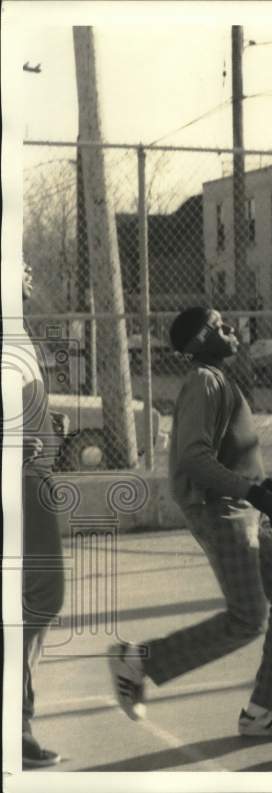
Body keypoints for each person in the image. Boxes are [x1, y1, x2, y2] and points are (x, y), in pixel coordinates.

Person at [107, 306, 272, 738]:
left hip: (247, 509)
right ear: (202, 340)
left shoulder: (218, 380)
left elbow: (231, 454)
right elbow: (194, 459)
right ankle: (139, 660)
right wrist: (256, 493)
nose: (230, 329)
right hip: (223, 512)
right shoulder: (204, 381)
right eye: (219, 326)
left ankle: (265, 710)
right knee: (247, 618)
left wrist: (271, 489)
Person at [19, 260, 67, 768]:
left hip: (33, 478)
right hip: (18, 481)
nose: (30, 270)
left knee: (32, 603)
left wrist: (46, 422)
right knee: (41, 597)